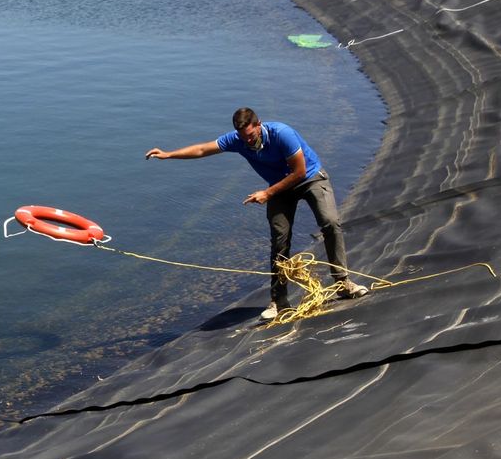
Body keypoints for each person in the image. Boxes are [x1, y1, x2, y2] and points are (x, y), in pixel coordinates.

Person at [146, 107, 366, 322]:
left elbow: (298, 172)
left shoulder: (282, 134)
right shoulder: (238, 139)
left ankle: (343, 283)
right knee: (279, 239)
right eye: (243, 138)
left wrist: (267, 193)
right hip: (280, 187)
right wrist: (168, 155)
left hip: (309, 178)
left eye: (251, 136)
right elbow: (203, 149)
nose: (248, 142)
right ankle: (278, 302)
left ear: (259, 125)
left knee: (329, 222)